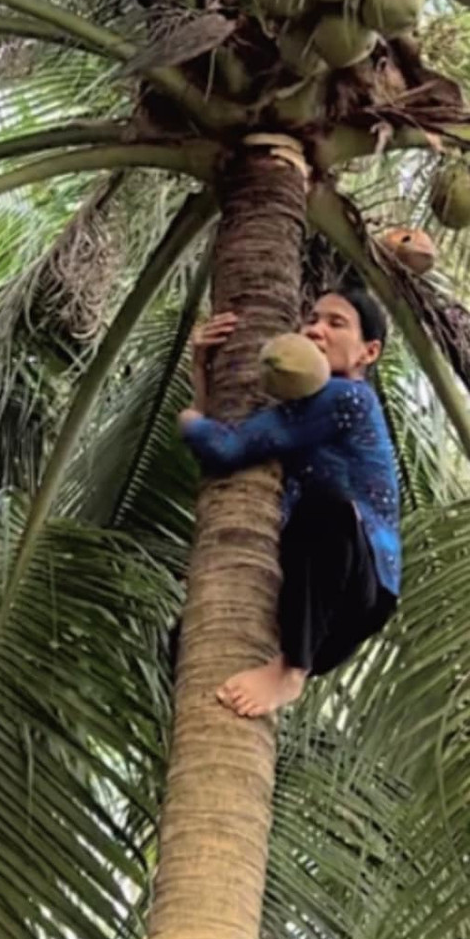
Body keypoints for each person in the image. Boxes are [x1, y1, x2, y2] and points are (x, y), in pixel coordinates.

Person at [178, 283, 401, 718]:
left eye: (336, 323)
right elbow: (229, 447)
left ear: (367, 353)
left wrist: (188, 421)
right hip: (313, 606)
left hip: (355, 587)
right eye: (312, 319)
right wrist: (203, 370)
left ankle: (290, 672)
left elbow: (226, 447)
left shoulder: (348, 396)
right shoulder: (303, 411)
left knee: (324, 504)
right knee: (184, 637)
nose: (316, 329)